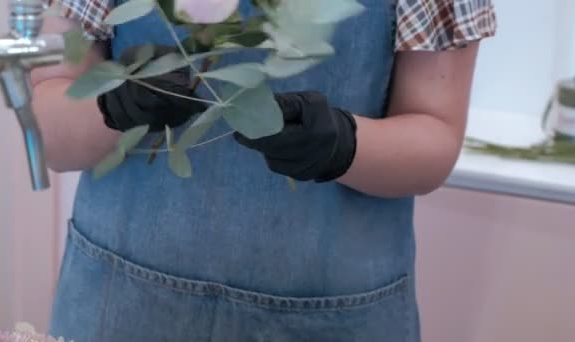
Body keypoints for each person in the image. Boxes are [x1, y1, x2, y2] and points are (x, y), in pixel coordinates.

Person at [33, 0, 496, 340]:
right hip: (122, 307)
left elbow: (436, 135)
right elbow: (49, 134)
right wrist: (113, 109)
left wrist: (344, 143)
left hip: (330, 320)